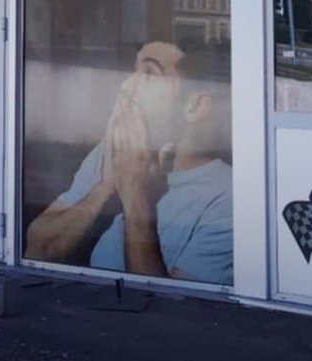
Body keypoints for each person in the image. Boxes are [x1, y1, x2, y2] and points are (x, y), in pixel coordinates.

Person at [23, 40, 232, 283]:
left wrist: (134, 191)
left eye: (149, 74)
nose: (125, 85)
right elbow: (39, 250)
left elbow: (166, 313)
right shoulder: (116, 151)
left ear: (195, 106)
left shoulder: (226, 199)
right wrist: (104, 188)